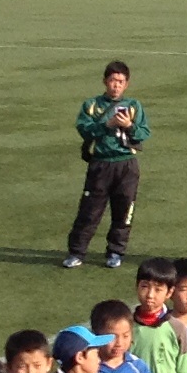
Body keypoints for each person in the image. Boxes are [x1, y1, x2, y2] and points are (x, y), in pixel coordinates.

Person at [63, 61, 148, 270]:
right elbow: (84, 129)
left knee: (123, 211)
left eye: (120, 81)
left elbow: (143, 133)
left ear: (126, 84)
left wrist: (129, 126)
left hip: (126, 165)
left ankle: (115, 252)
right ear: (105, 81)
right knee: (89, 211)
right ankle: (76, 252)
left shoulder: (133, 106)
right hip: (101, 165)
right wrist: (107, 124)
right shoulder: (92, 105)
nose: (116, 85)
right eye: (112, 80)